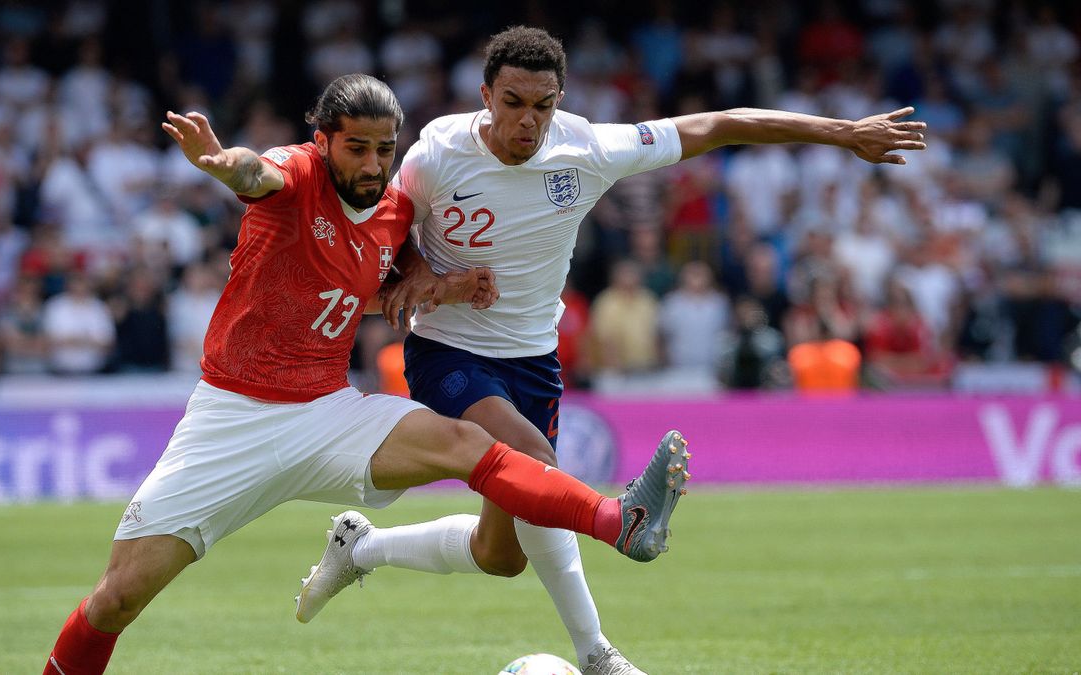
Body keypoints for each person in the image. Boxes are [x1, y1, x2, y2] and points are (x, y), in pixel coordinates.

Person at [296, 26, 926, 675]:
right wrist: (422, 273)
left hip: (534, 363)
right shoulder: (436, 155)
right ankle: (597, 650)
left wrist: (845, 133)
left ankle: (360, 548)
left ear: (560, 99)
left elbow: (719, 125)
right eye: (512, 101)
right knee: (535, 459)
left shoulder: (588, 148)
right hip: (448, 352)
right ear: (485, 95)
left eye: (542, 104)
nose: (527, 120)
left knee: (502, 552)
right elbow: (378, 247)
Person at [42, 74, 691, 675]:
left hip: (327, 409)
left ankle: (618, 519)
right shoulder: (296, 175)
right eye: (356, 148)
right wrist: (221, 162)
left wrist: (450, 286)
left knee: (469, 445)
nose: (373, 165)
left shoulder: (394, 212)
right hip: (231, 417)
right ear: (322, 140)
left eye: (385, 150)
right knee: (117, 599)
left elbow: (384, 290)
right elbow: (254, 171)